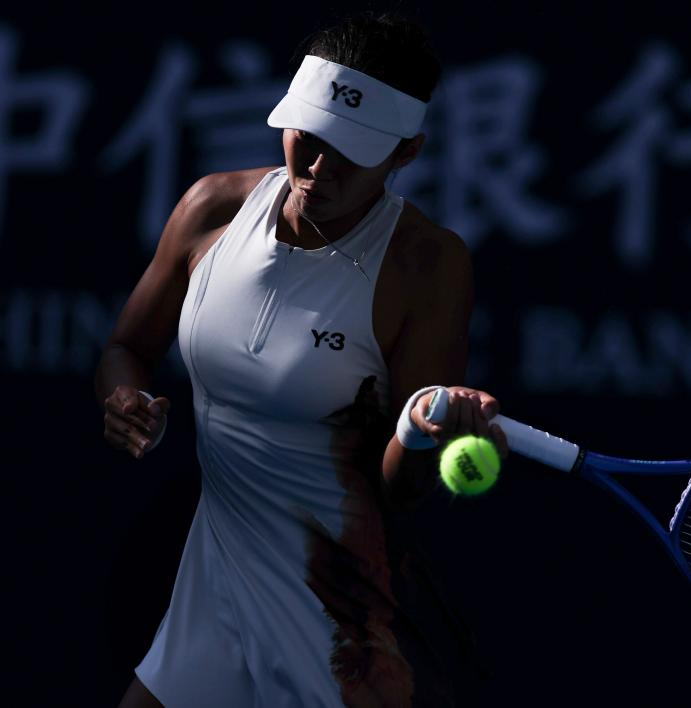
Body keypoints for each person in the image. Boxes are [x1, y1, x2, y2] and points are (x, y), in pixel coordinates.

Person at [95, 12, 507, 708]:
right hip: (214, 587)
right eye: (308, 137)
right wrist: (124, 398)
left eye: (351, 152)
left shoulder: (427, 266)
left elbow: (401, 493)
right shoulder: (211, 208)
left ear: (406, 152)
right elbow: (126, 348)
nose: (317, 169)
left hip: (336, 615)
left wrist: (419, 433)